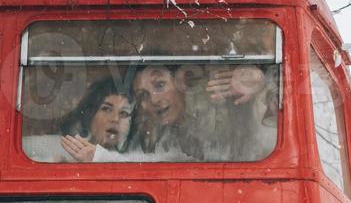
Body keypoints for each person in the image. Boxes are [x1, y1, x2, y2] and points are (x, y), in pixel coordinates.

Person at [131, 63, 275, 161]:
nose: (154, 100)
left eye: (160, 85)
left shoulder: (221, 98)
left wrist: (260, 81)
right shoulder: (148, 140)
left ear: (180, 82)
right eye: (143, 95)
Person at [23, 77, 135, 163]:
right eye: (106, 109)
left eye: (124, 113)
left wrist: (97, 156)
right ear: (90, 115)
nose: (115, 119)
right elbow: (22, 148)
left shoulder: (138, 155)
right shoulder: (65, 145)